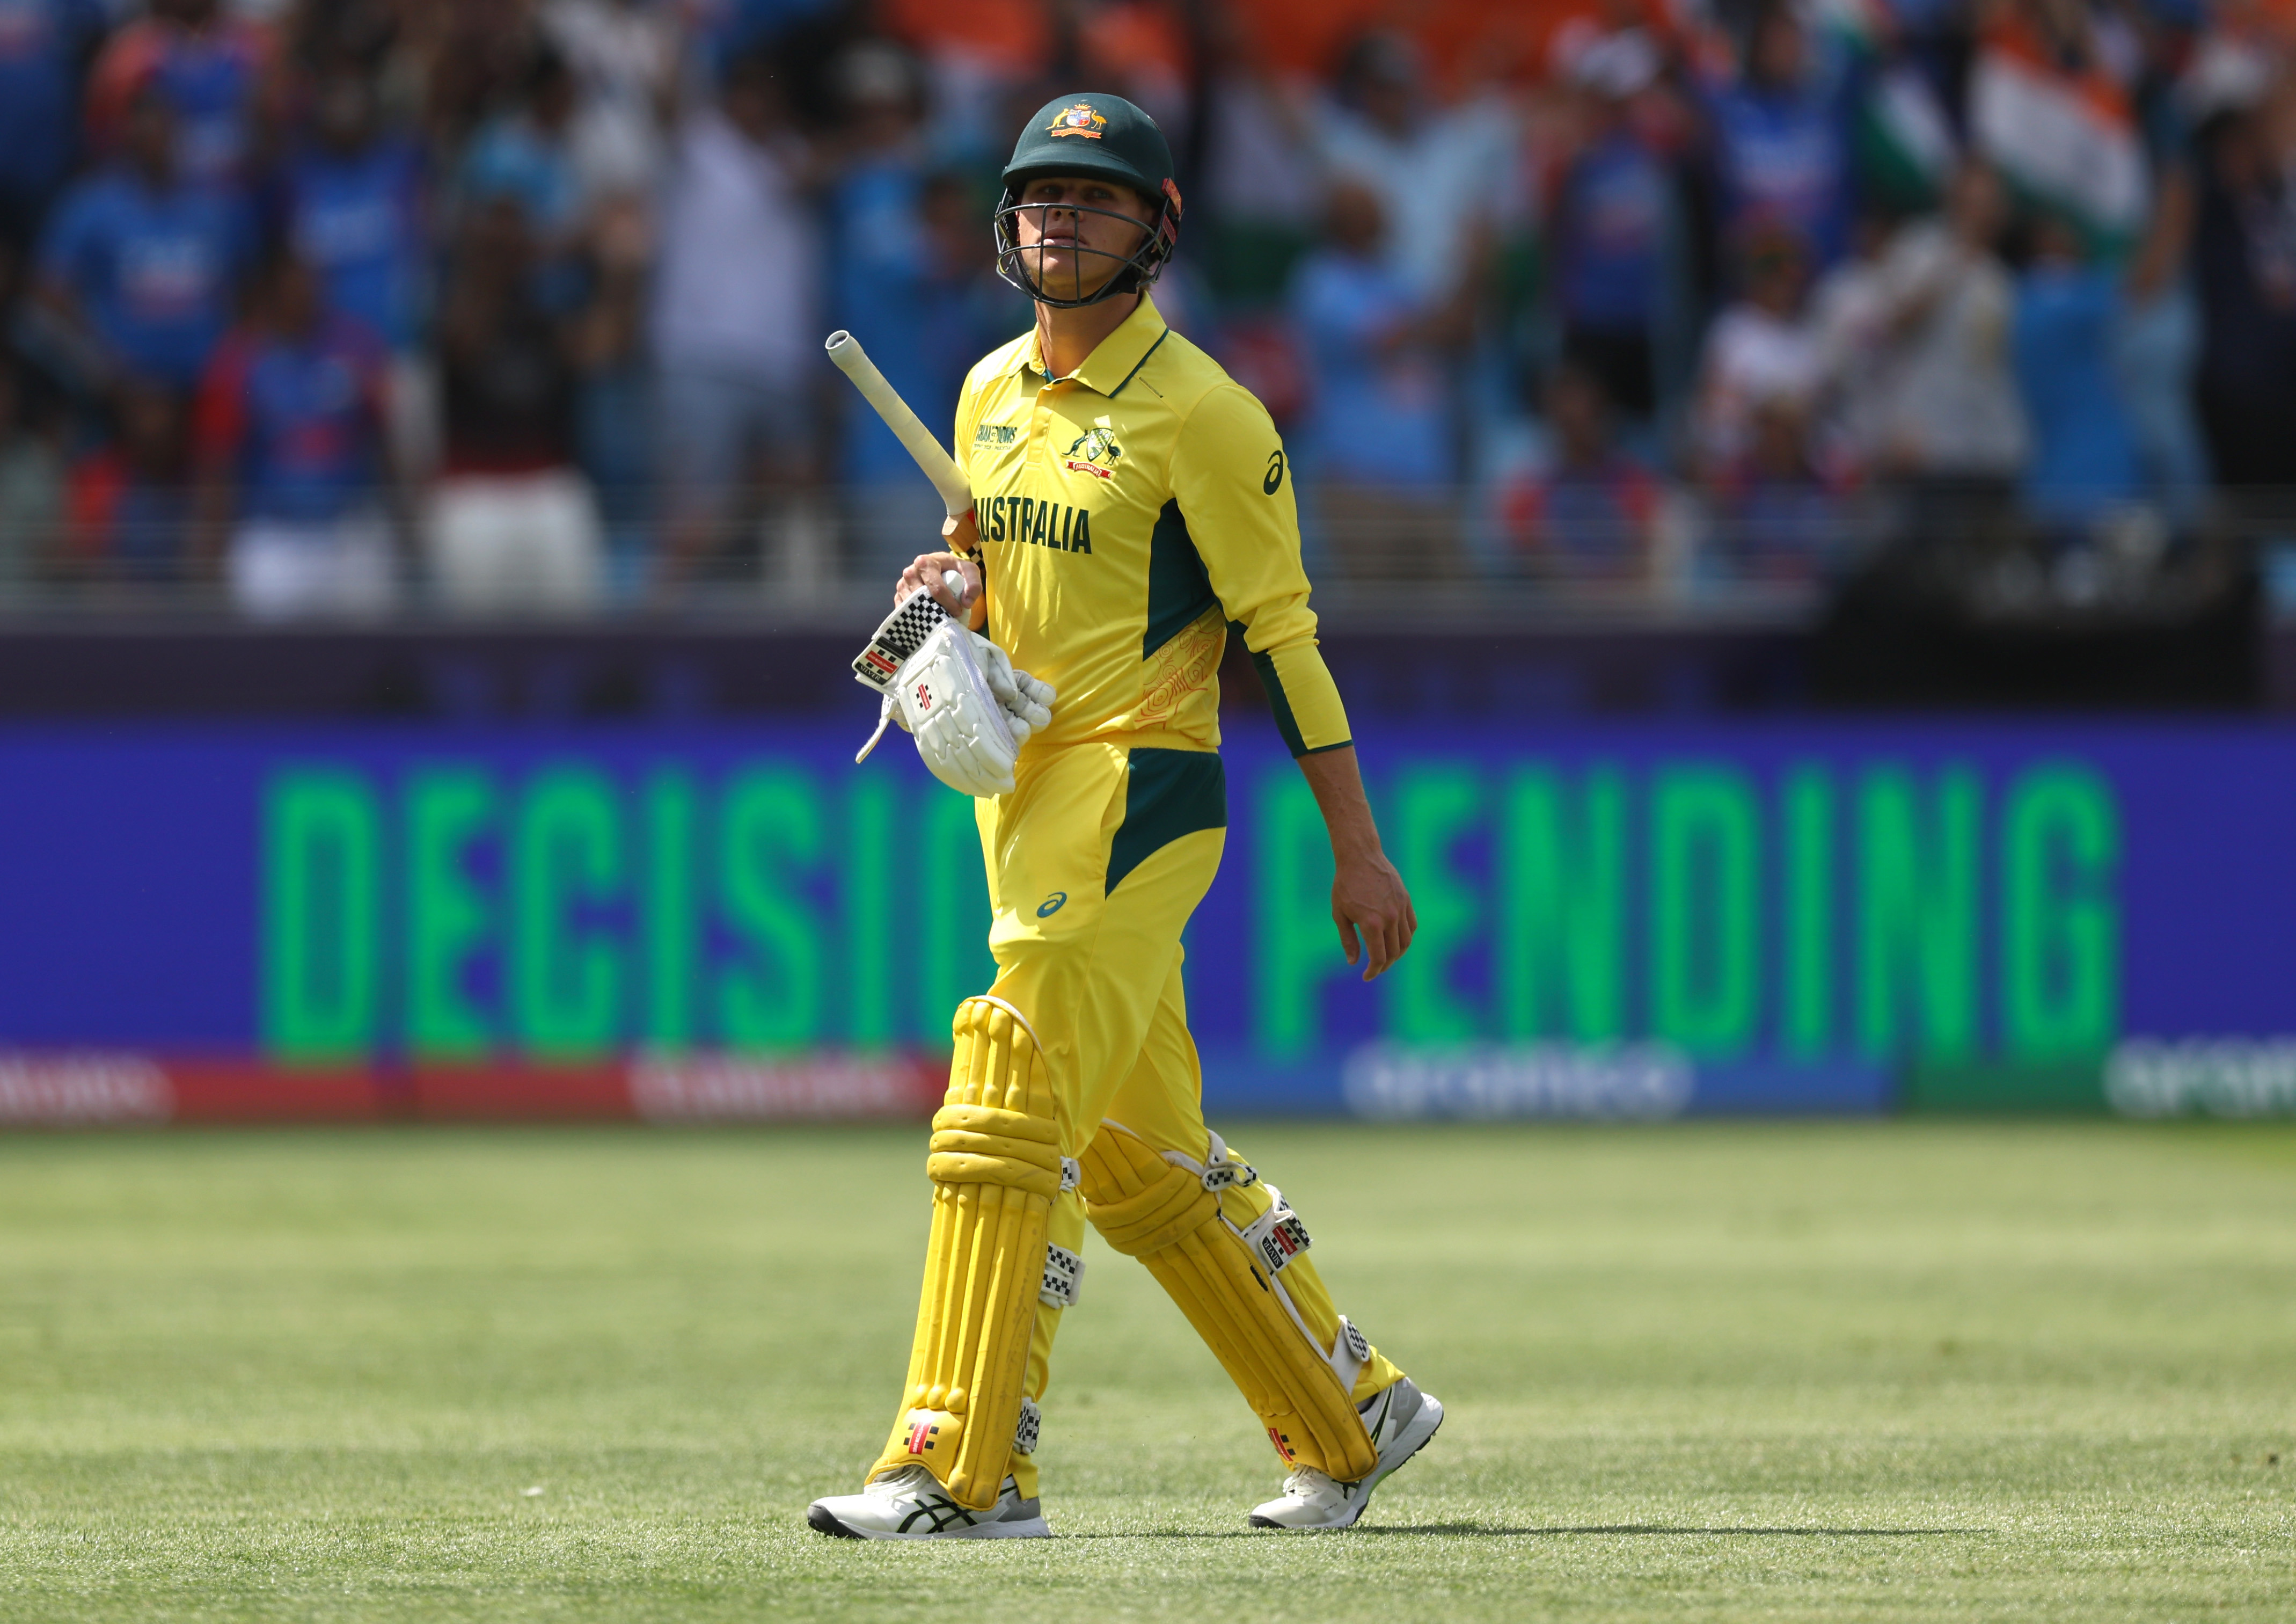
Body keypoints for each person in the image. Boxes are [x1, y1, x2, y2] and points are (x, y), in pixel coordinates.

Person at [806, 92, 1438, 1541]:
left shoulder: (1204, 416)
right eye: (1038, 198)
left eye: (1093, 200)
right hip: (1025, 799)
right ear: (1004, 227)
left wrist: (1355, 845)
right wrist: (950, 593)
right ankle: (1352, 1415)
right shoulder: (980, 394)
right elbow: (984, 556)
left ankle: (959, 1471)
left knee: (1003, 1085)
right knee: (1138, 1161)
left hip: (1142, 790)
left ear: (1156, 230)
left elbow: (1280, 635)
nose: (1059, 222)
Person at [194, 247, 398, 618]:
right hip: (273, 537)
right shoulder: (240, 357)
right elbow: (217, 458)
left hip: (348, 530)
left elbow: (384, 439)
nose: (305, 292)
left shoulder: (358, 345)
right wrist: (214, 545)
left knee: (366, 654)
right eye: (294, 284)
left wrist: (404, 525)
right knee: (273, 660)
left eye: (312, 282)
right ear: (271, 291)